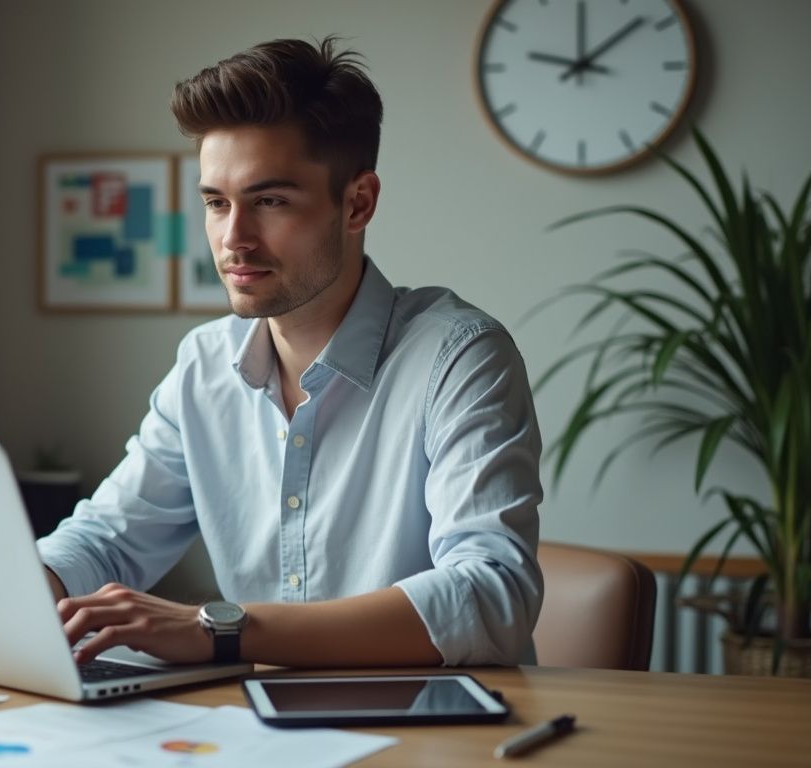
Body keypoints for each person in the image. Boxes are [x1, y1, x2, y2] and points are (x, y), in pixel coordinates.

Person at [37, 36, 543, 669]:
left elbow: (492, 595)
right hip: (257, 728)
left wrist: (218, 629)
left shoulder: (460, 357)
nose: (233, 239)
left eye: (269, 201)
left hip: (439, 731)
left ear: (358, 202)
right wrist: (9, 590)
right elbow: (106, 542)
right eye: (216, 203)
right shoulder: (204, 364)